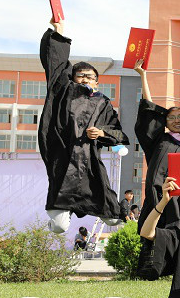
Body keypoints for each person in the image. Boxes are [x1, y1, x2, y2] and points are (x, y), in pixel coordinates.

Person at [39, 18, 129, 233]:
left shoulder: (103, 102)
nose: (86, 79)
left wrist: (102, 132)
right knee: (59, 227)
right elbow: (57, 64)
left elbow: (117, 132)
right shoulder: (63, 92)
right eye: (81, 76)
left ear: (97, 82)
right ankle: (56, 221)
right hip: (63, 158)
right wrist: (58, 32)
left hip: (90, 163)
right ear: (73, 79)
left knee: (114, 219)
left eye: (91, 77)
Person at [133, 59, 180, 231]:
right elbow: (149, 110)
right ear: (165, 123)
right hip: (158, 202)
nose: (177, 120)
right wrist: (143, 75)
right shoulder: (159, 141)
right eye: (172, 117)